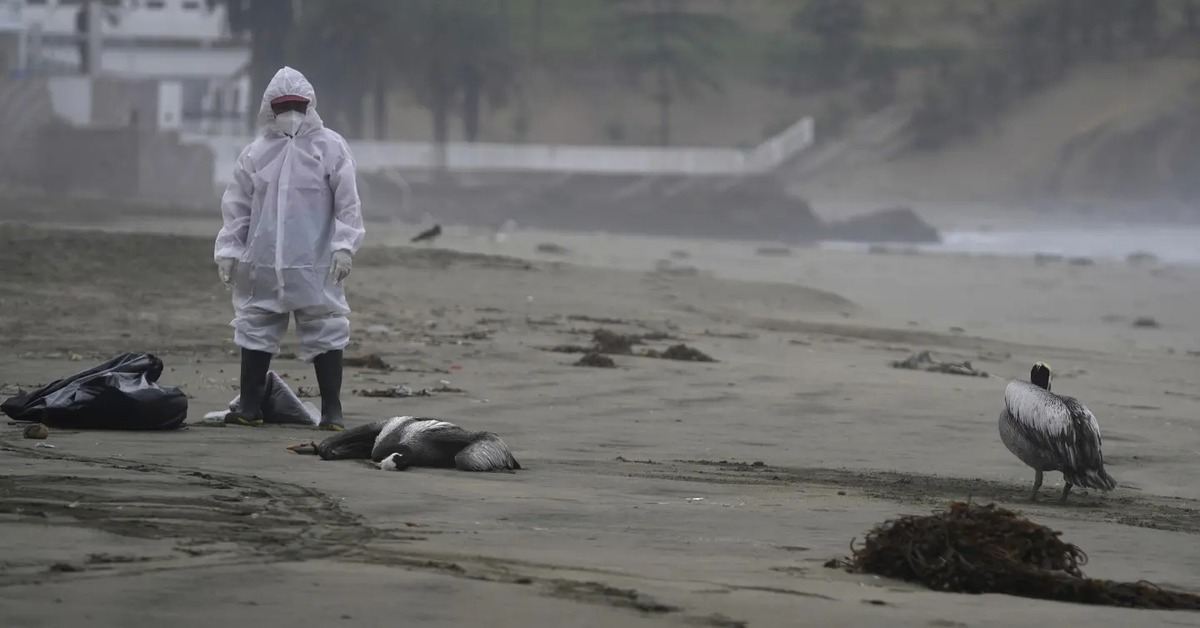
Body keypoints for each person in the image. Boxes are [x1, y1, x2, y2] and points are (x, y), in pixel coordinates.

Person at [214, 66, 365, 432]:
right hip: (263, 262)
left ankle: (332, 410)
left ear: (310, 105)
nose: (291, 113)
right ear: (270, 108)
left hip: (313, 263)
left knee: (326, 325)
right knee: (255, 326)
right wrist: (230, 249)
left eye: (298, 105)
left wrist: (344, 246)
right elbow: (237, 206)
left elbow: (348, 204)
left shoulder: (330, 147)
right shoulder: (256, 153)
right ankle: (249, 404)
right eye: (284, 106)